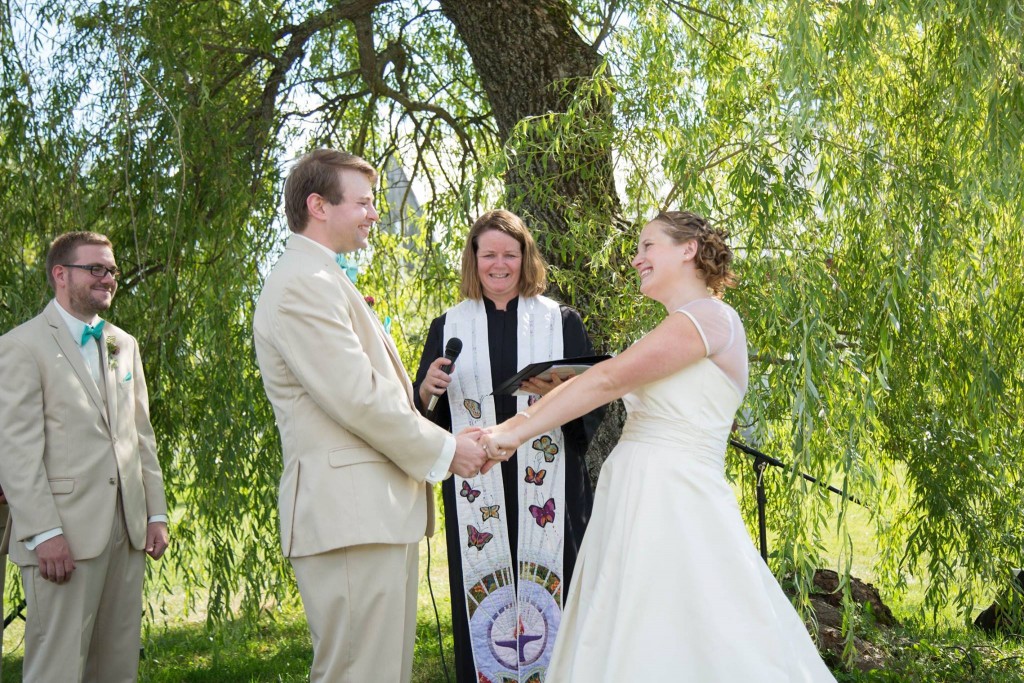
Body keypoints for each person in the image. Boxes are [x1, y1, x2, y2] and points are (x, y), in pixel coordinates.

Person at [482, 211, 837, 681]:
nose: (636, 259)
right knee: (630, 624)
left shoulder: (708, 316)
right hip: (636, 494)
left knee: (688, 624)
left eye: (648, 246)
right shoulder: (678, 324)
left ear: (687, 249)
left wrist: (511, 431)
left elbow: (608, 379)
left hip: (675, 498)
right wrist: (553, 396)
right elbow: (607, 381)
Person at [252, 148, 488, 683]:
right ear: (318, 205)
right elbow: (358, 398)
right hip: (349, 517)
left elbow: (374, 395)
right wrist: (449, 451)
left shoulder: (324, 278)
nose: (374, 213)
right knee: (359, 673)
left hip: (369, 515)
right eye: (362, 202)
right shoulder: (303, 286)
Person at [413, 209, 604, 682]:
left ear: (526, 258)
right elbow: (420, 413)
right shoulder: (449, 327)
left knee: (558, 585)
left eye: (510, 254)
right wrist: (427, 388)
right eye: (489, 254)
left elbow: (592, 398)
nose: (499, 264)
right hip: (478, 481)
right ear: (473, 260)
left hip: (549, 486)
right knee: (484, 588)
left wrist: (560, 391)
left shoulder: (560, 321)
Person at [0, 231, 170, 682]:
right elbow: (17, 451)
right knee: (56, 668)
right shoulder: (21, 346)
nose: (108, 278)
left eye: (111, 269)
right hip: (64, 536)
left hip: (126, 531)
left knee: (117, 667)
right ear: (60, 274)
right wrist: (44, 533)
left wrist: (156, 513)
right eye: (96, 268)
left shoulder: (122, 344)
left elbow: (140, 436)